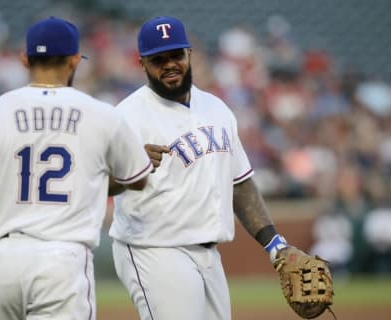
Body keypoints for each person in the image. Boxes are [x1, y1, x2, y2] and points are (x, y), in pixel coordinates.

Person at [0, 16, 152, 320]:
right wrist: (98, 180)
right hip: (62, 262)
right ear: (74, 61)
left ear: (24, 59)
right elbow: (137, 180)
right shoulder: (102, 115)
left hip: (0, 263)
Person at [108, 16, 292, 320]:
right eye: (158, 59)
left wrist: (274, 243)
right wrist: (130, 170)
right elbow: (96, 184)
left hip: (209, 253)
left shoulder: (217, 109)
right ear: (142, 63)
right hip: (153, 249)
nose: (170, 64)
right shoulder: (125, 116)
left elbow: (240, 183)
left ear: (189, 54)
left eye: (176, 55)